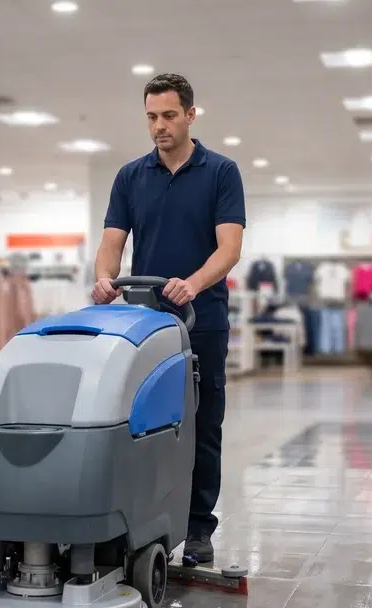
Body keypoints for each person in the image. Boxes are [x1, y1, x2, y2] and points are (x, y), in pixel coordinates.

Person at [91, 72, 245, 564]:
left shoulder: (221, 172)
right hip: (144, 324)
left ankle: (199, 528)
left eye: (169, 115)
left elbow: (230, 248)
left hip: (204, 319)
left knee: (201, 424)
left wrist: (194, 283)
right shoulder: (131, 177)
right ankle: (141, 517)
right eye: (152, 117)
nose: (159, 126)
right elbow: (112, 244)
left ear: (191, 115)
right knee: (141, 422)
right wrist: (102, 278)